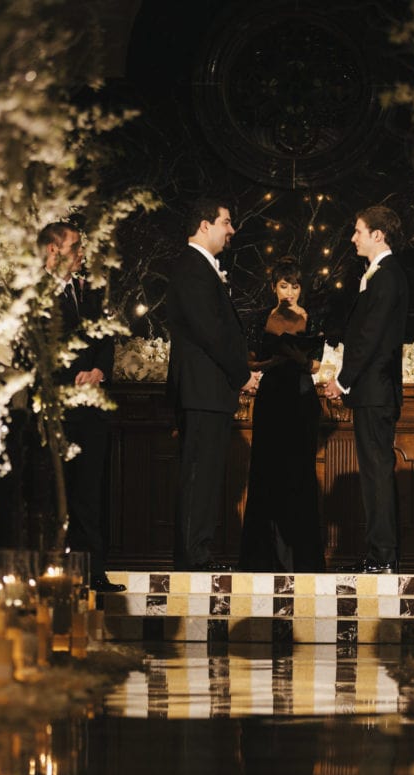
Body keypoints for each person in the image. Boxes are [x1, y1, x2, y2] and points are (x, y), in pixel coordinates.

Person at [167, 198, 259, 571]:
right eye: (226, 221)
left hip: (209, 391)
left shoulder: (201, 269)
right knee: (199, 475)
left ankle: (197, 551)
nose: (232, 229)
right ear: (204, 226)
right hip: (202, 391)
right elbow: (210, 331)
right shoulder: (192, 268)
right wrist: (242, 374)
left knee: (205, 474)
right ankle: (193, 557)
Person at [38, 221, 125, 593]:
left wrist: (99, 369)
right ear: (53, 251)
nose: (82, 254)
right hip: (56, 409)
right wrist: (71, 376)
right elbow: (37, 350)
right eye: (75, 247)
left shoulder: (90, 291)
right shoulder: (33, 294)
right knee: (53, 495)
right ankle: (52, 571)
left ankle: (93, 571)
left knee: (91, 492)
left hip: (91, 409)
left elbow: (106, 336)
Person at [324, 206, 408, 573]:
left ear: (379, 235)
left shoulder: (387, 277)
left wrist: (343, 380)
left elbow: (370, 336)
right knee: (374, 473)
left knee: (376, 473)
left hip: (375, 390)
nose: (353, 237)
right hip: (374, 390)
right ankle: (379, 554)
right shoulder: (379, 276)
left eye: (358, 231)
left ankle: (383, 557)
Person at [239, 257, 325, 571]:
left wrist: (297, 357)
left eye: (295, 285)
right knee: (266, 473)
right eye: (283, 285)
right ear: (274, 287)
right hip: (272, 397)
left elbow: (316, 364)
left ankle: (300, 558)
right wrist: (271, 362)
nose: (289, 291)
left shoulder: (312, 317)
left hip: (301, 398)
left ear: (302, 288)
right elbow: (249, 360)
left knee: (299, 473)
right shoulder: (260, 317)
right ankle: (263, 557)